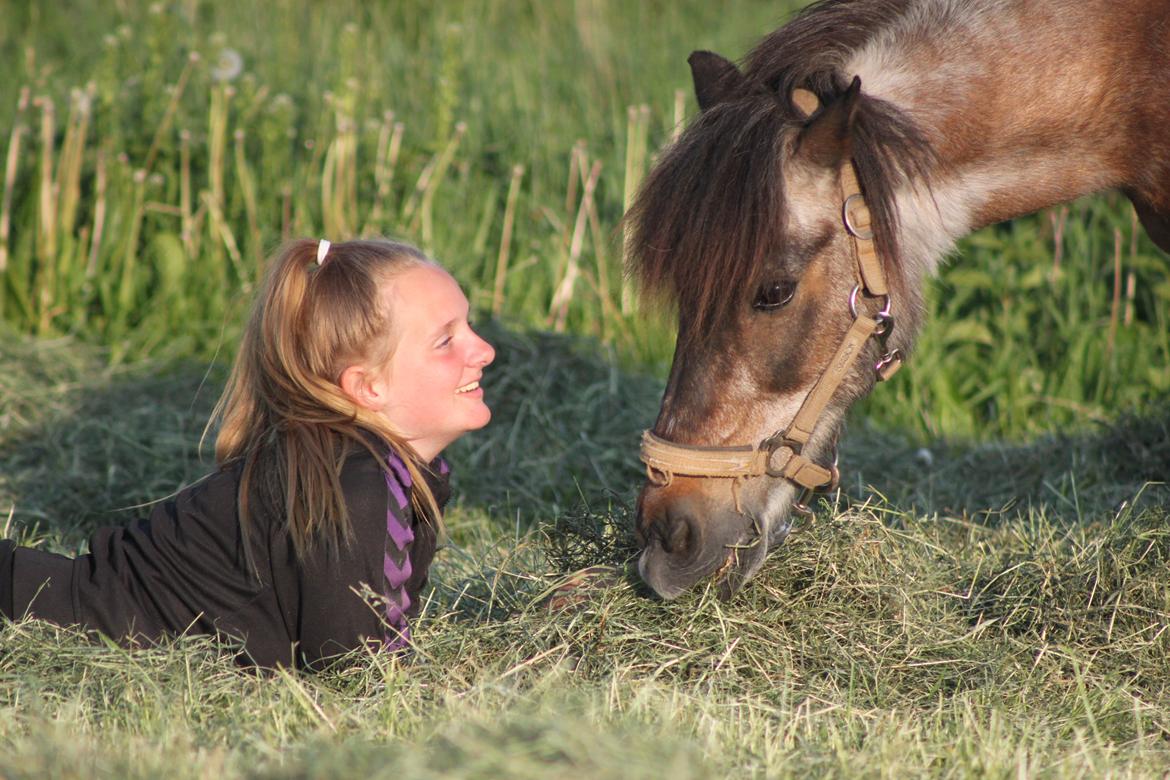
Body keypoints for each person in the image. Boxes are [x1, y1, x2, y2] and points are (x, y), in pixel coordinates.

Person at [0, 238, 495, 669]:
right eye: (445, 341)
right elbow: (354, 664)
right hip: (55, 617)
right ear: (367, 387)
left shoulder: (373, 466)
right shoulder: (358, 485)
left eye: (468, 325)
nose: (485, 350)